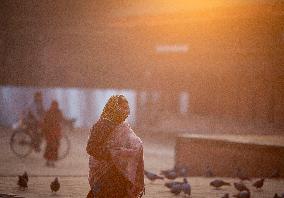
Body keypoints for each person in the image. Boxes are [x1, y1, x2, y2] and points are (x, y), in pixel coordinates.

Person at [86, 95, 145, 198]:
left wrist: (134, 150)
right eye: (124, 108)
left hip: (121, 176)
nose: (128, 112)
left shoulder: (124, 127)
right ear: (114, 108)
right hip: (104, 176)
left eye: (128, 108)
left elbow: (135, 146)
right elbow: (91, 148)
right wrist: (113, 154)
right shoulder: (101, 126)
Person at [42, 100, 63, 167]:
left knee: (53, 147)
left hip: (55, 132)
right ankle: (50, 162)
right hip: (51, 133)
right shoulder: (49, 112)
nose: (55, 107)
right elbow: (45, 123)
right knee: (51, 147)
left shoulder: (56, 112)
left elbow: (62, 120)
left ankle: (50, 161)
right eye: (54, 105)